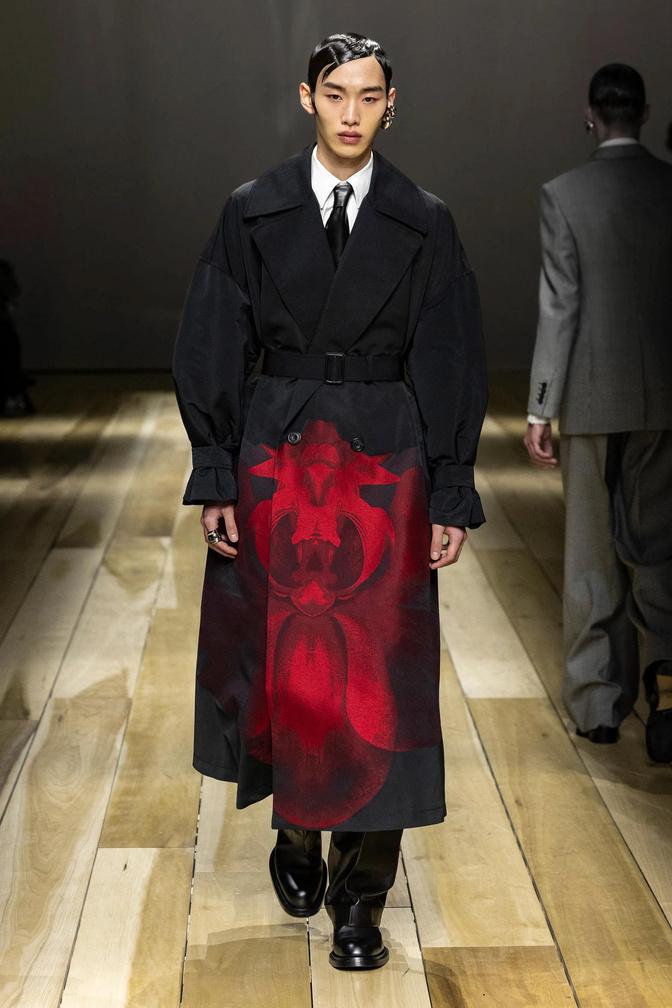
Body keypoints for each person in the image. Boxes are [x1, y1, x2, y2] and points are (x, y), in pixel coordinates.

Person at [173, 31, 487, 970]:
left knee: (380, 675)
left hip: (384, 463)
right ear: (307, 97)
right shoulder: (252, 210)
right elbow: (212, 336)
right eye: (336, 94)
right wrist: (215, 470)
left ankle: (363, 895)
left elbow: (452, 354)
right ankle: (297, 829)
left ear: (393, 105)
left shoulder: (424, 221)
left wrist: (452, 487)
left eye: (370, 96)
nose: (352, 113)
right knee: (290, 664)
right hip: (277, 450)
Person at [524, 64, 672, 763]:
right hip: (665, 397)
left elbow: (561, 307)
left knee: (590, 553)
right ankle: (667, 683)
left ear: (591, 114)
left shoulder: (564, 194)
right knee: (661, 544)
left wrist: (540, 407)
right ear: (644, 113)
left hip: (588, 397)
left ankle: (597, 704)